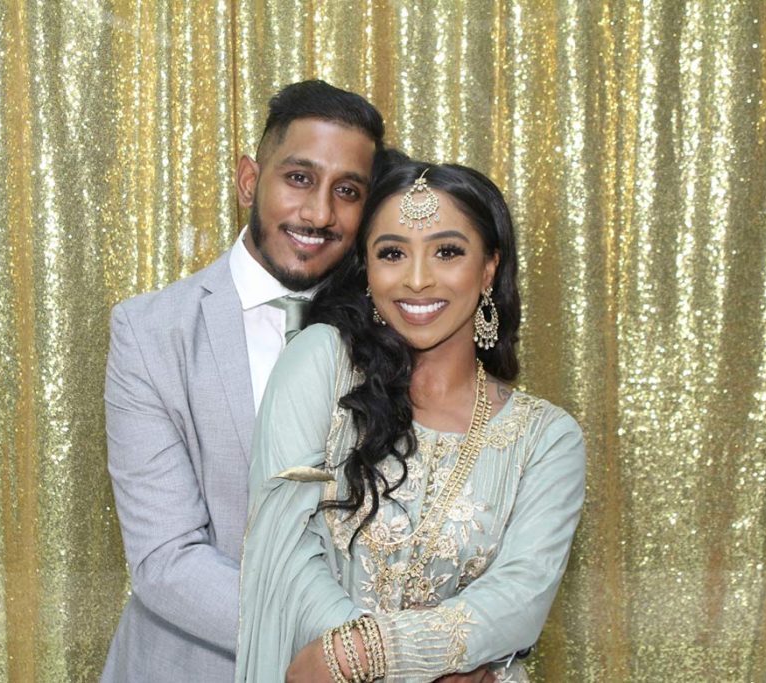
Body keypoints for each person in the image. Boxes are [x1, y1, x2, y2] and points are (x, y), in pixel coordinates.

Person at [236, 158, 586, 682]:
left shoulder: (547, 439)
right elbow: (286, 548)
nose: (418, 280)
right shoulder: (322, 364)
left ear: (489, 267)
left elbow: (519, 596)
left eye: (447, 252)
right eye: (393, 253)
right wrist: (398, 665)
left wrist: (372, 655)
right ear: (368, 269)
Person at [101, 80, 384, 682]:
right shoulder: (151, 332)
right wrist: (359, 648)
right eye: (299, 178)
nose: (319, 213)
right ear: (250, 180)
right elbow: (166, 561)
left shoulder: (399, 326)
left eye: (348, 191)